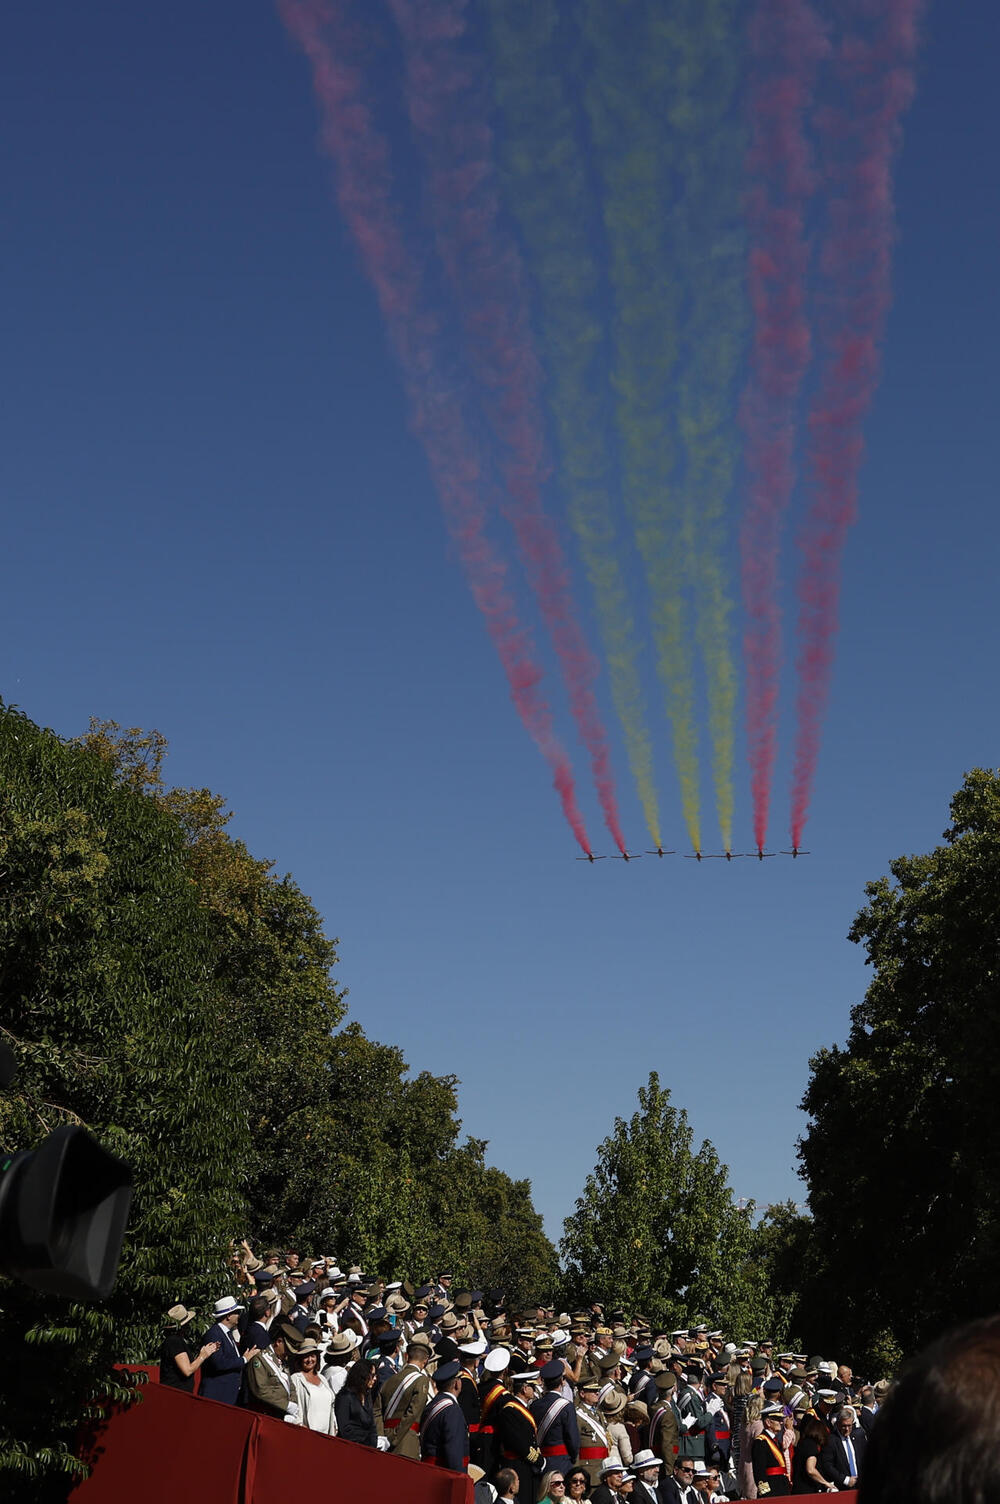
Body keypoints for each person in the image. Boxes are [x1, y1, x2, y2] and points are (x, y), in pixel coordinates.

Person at [380, 1332, 432, 1458]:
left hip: (383, 1440)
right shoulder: (421, 1380)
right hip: (406, 1442)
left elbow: (377, 1410)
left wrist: (381, 1436)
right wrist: (394, 1437)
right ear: (426, 1360)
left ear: (406, 1356)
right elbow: (413, 1413)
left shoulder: (390, 1379)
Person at [199, 1296, 259, 1405]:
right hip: (217, 1395)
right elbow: (219, 1363)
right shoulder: (214, 1334)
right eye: (236, 1312)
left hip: (227, 1394)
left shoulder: (227, 1333)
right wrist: (243, 1360)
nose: (238, 1316)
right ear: (228, 1316)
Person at [495, 1371, 542, 1502]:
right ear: (524, 1388)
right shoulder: (510, 1410)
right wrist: (538, 1460)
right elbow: (518, 1442)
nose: (534, 1390)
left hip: (526, 1466)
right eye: (532, 1387)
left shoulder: (523, 1408)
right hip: (517, 1465)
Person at [421, 1360, 470, 1472]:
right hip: (442, 1472)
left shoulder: (432, 1405)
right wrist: (459, 1478)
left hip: (429, 1469)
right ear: (457, 1384)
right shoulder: (451, 1410)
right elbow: (454, 1452)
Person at [158, 1305, 218, 1393]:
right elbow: (187, 1370)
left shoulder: (175, 1340)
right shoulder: (174, 1341)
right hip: (175, 1393)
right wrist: (202, 1356)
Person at [243, 1330, 298, 1421]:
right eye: (287, 1350)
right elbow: (260, 1389)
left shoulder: (282, 1361)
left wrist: (293, 1403)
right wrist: (286, 1405)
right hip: (264, 1415)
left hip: (281, 1414)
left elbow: (290, 1385)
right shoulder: (260, 1358)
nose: (288, 1354)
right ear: (278, 1342)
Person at [289, 1338, 337, 1435]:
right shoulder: (296, 1378)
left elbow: (331, 1405)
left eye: (312, 1356)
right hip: (307, 1434)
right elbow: (294, 1406)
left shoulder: (322, 1378)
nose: (310, 1360)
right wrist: (298, 1423)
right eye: (306, 1357)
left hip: (327, 1434)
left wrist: (334, 1424)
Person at [334, 1357, 383, 1448]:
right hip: (349, 1448)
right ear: (362, 1376)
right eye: (372, 1375)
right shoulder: (345, 1397)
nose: (375, 1378)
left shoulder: (367, 1396)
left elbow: (372, 1425)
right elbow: (345, 1429)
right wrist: (366, 1439)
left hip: (367, 1449)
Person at [820, 1405, 866, 1491]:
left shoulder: (858, 1437)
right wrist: (845, 1480)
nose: (847, 1429)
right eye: (844, 1426)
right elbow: (827, 1465)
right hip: (842, 1487)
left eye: (849, 1426)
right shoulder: (831, 1441)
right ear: (837, 1424)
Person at [792, 1415, 838, 1493]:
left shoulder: (803, 1443)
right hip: (807, 1490)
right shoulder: (811, 1445)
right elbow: (810, 1469)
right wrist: (825, 1483)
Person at [751, 1405, 791, 1496]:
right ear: (768, 1422)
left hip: (781, 1487)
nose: (781, 1422)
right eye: (778, 1419)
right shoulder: (760, 1442)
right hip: (772, 1490)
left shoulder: (775, 1440)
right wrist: (765, 1493)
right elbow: (759, 1470)